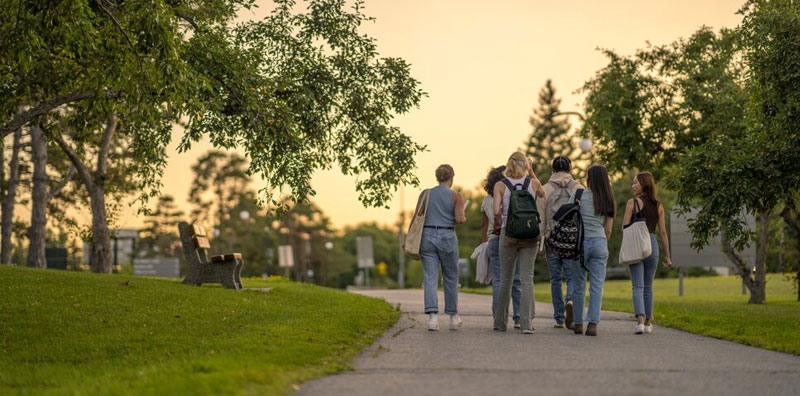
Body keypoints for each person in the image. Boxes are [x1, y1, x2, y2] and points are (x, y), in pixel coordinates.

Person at [492, 152, 545, 334]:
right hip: (530, 232)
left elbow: (496, 211)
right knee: (527, 278)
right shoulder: (533, 183)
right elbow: (542, 193)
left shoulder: (500, 185)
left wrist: (504, 220)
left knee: (505, 279)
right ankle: (526, 324)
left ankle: (500, 323)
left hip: (509, 233)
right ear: (526, 165)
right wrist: (531, 173)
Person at [414, 164, 467, 331]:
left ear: (438, 178)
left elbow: (417, 216)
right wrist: (462, 215)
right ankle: (453, 317)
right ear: (451, 179)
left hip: (427, 237)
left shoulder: (426, 194)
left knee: (430, 277)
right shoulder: (456, 196)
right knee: (451, 277)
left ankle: (432, 319)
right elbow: (459, 219)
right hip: (447, 237)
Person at [622, 171, 673, 334]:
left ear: (644, 184)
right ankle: (649, 322)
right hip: (652, 245)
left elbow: (625, 227)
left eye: (636, 182)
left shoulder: (632, 203)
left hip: (637, 244)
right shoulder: (659, 205)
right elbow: (663, 232)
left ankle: (640, 322)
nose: (633, 185)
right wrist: (668, 256)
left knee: (637, 285)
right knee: (648, 286)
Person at [537, 156, 583, 329]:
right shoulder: (579, 189)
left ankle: (558, 318)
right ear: (570, 169)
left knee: (555, 279)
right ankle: (570, 300)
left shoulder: (545, 189)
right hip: (572, 240)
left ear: (553, 170)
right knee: (571, 277)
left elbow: (540, 217)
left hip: (552, 239)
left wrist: (540, 241)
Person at [569, 164, 615, 336]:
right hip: (599, 242)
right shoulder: (608, 198)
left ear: (589, 178)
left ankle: (578, 323)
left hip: (579, 243)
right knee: (597, 286)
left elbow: (568, 217)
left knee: (578, 285)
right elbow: (608, 229)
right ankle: (593, 324)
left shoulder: (578, 194)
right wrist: (601, 241)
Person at [481, 166, 523, 328]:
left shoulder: (486, 200)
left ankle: (498, 317)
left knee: (498, 281)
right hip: (511, 239)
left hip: (493, 241)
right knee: (517, 279)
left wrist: (484, 244)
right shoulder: (510, 195)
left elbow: (484, 226)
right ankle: (518, 317)